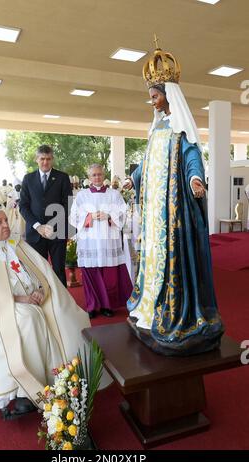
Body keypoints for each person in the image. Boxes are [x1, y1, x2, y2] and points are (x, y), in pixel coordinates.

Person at [123, 40, 224, 356]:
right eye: (151, 96)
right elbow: (147, 164)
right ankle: (151, 308)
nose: (151, 101)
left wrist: (195, 178)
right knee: (153, 259)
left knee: (173, 261)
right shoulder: (156, 131)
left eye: (155, 95)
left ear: (169, 95)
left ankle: (179, 310)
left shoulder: (180, 131)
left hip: (174, 213)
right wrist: (134, 177)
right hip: (156, 216)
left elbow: (193, 155)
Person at [0, 207, 92, 418]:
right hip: (2, 307)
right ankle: (26, 391)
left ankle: (59, 376)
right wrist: (20, 300)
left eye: (6, 220)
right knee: (30, 318)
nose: (6, 225)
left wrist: (41, 290)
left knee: (63, 313)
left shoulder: (16, 242)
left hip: (32, 299)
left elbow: (42, 271)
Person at [70, 163, 133, 319]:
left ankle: (106, 305)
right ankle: (92, 306)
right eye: (93, 175)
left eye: (99, 174)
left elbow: (124, 214)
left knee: (108, 276)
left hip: (108, 241)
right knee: (90, 274)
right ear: (89, 177)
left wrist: (110, 216)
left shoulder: (114, 195)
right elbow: (73, 217)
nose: (97, 177)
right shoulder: (82, 196)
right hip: (89, 241)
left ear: (104, 176)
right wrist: (89, 217)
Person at [20, 145, 72, 287]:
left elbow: (68, 205)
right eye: (42, 159)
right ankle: (43, 305)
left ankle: (62, 306)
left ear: (52, 160)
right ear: (36, 159)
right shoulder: (28, 179)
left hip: (57, 232)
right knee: (38, 271)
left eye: (48, 159)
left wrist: (51, 226)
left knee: (58, 270)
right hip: (35, 234)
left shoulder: (62, 178)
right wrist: (38, 226)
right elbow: (23, 206)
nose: (45, 162)